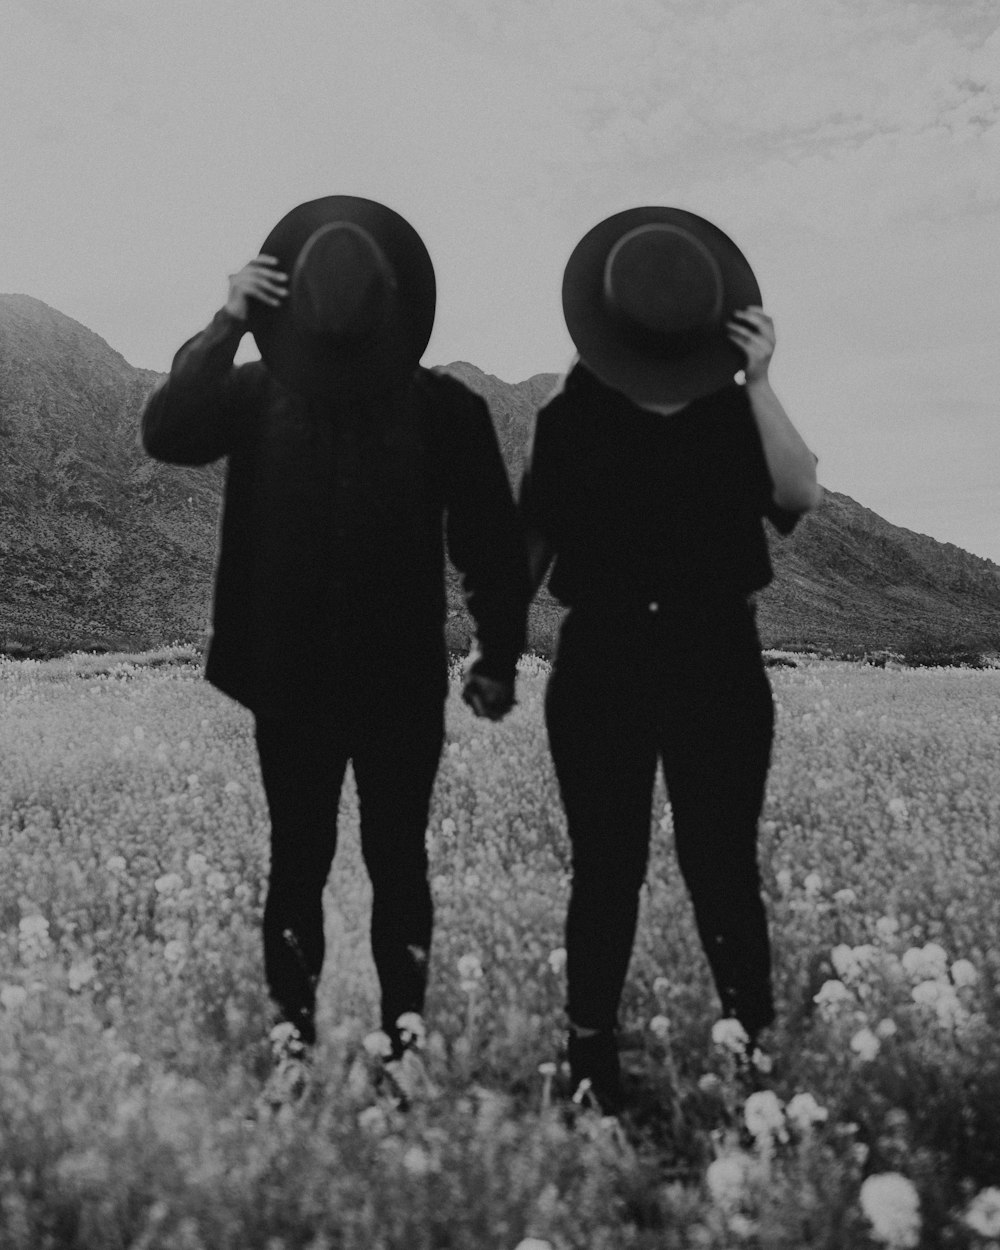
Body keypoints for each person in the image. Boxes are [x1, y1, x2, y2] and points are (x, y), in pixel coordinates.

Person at [141, 196, 528, 1100]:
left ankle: (393, 1048)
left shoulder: (437, 409)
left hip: (354, 682)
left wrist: (499, 652)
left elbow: (488, 544)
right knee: (322, 862)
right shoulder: (272, 397)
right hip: (304, 684)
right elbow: (164, 432)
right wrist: (226, 321)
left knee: (371, 864)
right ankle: (308, 1051)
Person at [519, 207, 822, 1114]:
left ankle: (754, 1065)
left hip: (714, 654)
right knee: (606, 867)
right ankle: (589, 1064)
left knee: (721, 864)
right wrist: (488, 642)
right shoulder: (569, 415)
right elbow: (528, 544)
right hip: (605, 657)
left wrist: (763, 380)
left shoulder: (736, 409)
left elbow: (799, 489)